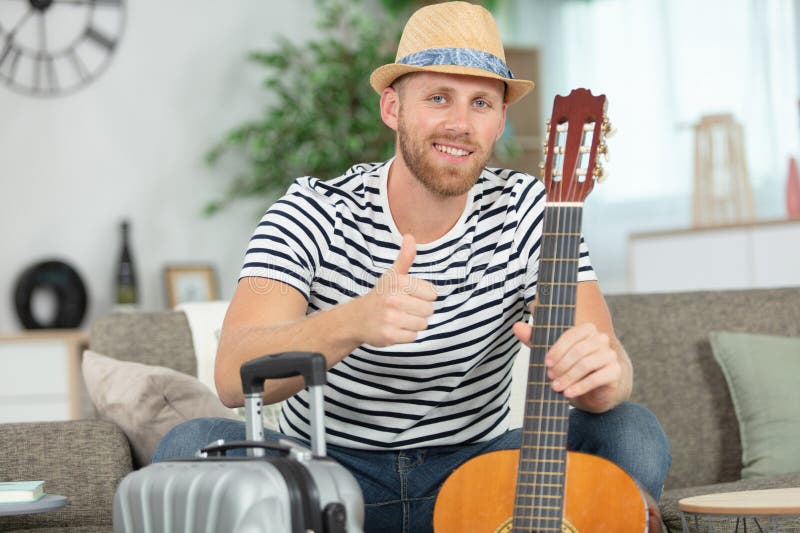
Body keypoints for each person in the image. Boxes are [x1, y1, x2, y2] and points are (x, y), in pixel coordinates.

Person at [154, 2, 671, 531]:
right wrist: (355, 321)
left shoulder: (532, 210)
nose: (460, 124)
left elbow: (604, 362)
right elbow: (233, 377)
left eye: (481, 104)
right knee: (190, 447)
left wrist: (603, 377)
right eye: (438, 98)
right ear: (392, 109)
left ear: (499, 122)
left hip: (479, 472)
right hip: (332, 473)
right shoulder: (311, 210)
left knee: (629, 430)